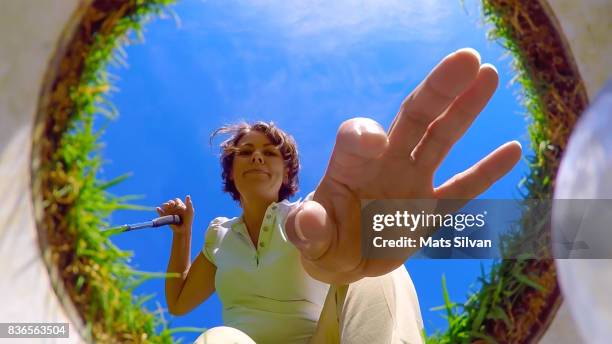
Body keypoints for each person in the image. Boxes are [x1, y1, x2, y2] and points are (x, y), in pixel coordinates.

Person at [157, 48, 523, 343]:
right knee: (219, 337)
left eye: (269, 152)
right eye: (246, 150)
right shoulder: (218, 235)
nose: (257, 155)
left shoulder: (313, 213)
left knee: (370, 263)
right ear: (231, 171)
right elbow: (179, 302)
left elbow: (350, 231)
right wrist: (183, 235)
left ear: (286, 172)